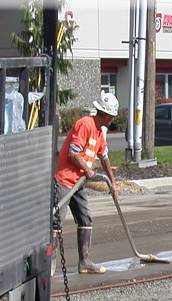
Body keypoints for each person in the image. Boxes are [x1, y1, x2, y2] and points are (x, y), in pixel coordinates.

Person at [53, 91, 119, 274]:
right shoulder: (85, 124)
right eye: (112, 116)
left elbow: (104, 157)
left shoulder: (99, 132)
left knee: (85, 218)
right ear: (105, 114)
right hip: (65, 181)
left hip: (79, 183)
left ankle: (84, 262)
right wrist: (88, 170)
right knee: (55, 221)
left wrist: (112, 184)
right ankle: (48, 265)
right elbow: (73, 153)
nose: (112, 120)